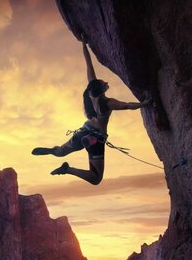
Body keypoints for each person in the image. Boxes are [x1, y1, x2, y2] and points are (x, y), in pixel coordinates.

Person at [32, 35, 153, 185]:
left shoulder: (90, 93)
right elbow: (128, 105)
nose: (106, 82)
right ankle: (67, 169)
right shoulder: (108, 103)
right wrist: (145, 103)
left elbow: (88, 65)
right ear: (101, 89)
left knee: (62, 151)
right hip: (94, 139)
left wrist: (84, 44)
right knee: (96, 178)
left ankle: (52, 151)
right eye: (104, 83)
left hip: (84, 130)